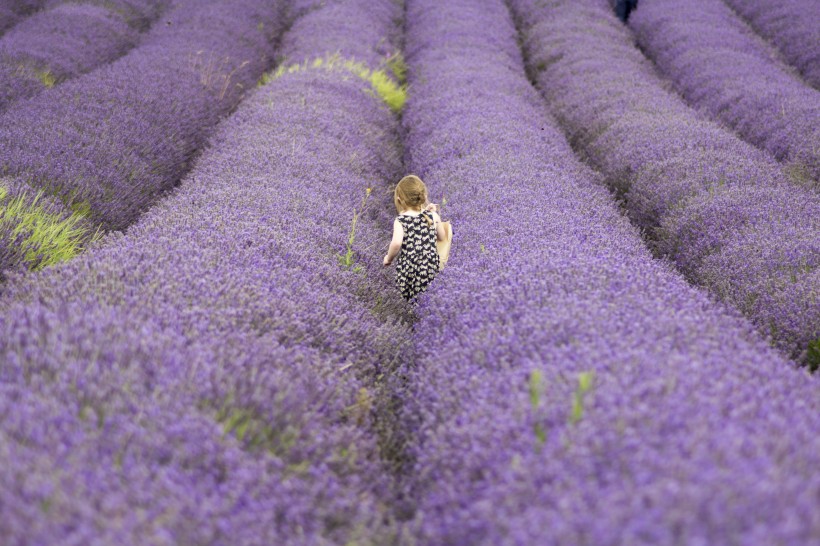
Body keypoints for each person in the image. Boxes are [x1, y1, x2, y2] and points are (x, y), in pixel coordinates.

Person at [383, 174, 446, 301]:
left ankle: (410, 314)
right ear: (424, 197)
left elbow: (396, 244)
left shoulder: (401, 220)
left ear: (399, 199)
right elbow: (442, 236)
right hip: (430, 267)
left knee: (408, 299)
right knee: (429, 297)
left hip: (409, 269)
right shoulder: (432, 216)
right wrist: (434, 214)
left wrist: (388, 258)